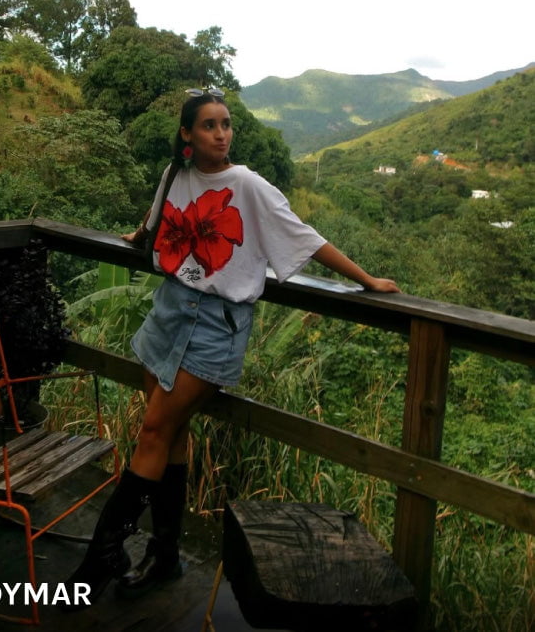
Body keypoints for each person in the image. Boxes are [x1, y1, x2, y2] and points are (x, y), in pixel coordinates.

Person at [65, 88, 400, 605]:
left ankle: (101, 555)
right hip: (169, 310)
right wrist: (135, 236)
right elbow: (155, 223)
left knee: (153, 429)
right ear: (187, 135)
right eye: (209, 125)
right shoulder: (175, 175)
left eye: (226, 124)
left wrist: (367, 279)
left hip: (215, 324)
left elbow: (303, 236)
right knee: (170, 434)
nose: (221, 133)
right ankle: (166, 554)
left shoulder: (246, 184)